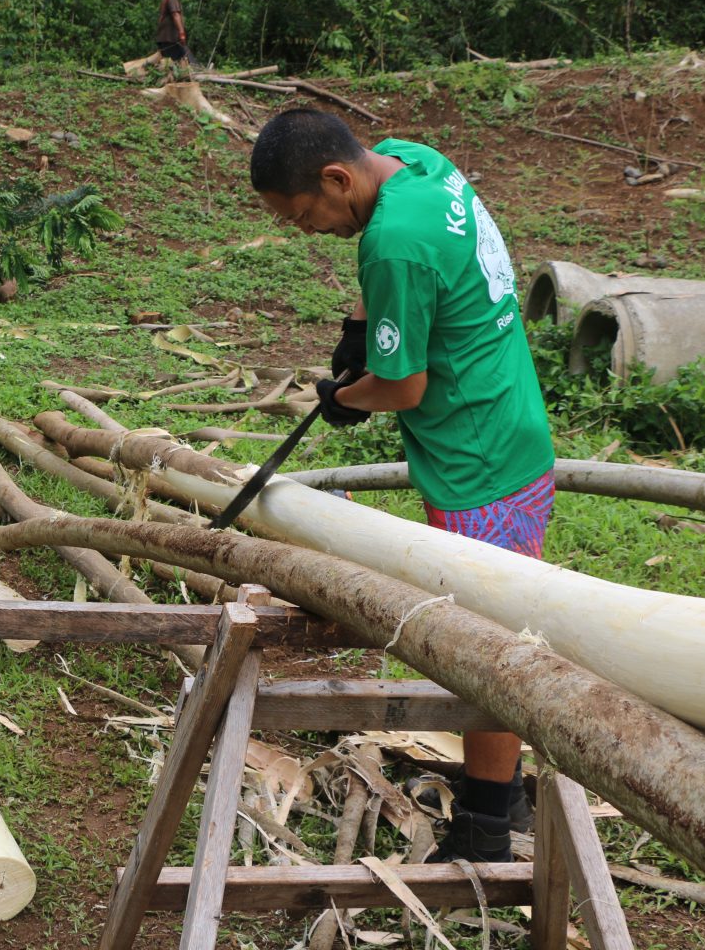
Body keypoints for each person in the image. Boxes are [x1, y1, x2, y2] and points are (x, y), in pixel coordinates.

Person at [249, 108, 556, 864]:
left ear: (336, 178)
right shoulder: (411, 163)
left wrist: (341, 398)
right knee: (476, 619)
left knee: (486, 642)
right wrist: (361, 328)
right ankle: (499, 785)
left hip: (478, 460)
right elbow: (391, 293)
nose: (304, 229)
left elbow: (405, 386)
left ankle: (488, 820)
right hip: (504, 425)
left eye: (303, 214)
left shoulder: (393, 242)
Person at [155, 0, 190, 76]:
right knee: (175, 61)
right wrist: (182, 33)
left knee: (177, 60)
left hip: (166, 37)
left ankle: (176, 79)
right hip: (169, 38)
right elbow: (175, 15)